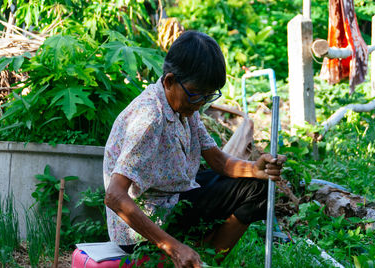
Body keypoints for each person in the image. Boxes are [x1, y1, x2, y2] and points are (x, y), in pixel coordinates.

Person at [103, 31, 286, 268]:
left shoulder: (185, 106)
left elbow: (218, 162)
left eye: (208, 95)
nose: (201, 102)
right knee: (251, 191)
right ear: (169, 81)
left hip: (171, 197)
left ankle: (206, 259)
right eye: (196, 94)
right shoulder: (149, 118)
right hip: (144, 224)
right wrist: (172, 247)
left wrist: (255, 169)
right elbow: (114, 196)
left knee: (257, 187)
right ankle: (192, 258)